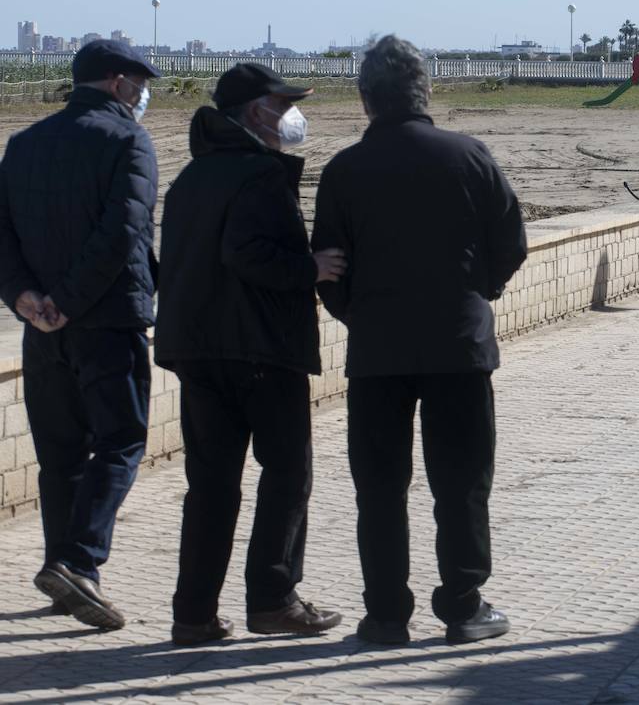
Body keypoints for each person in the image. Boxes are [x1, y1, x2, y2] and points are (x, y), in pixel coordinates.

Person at [312, 35, 527, 646]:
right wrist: (478, 291)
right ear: (425, 92)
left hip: (377, 351)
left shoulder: (344, 170)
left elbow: (328, 265)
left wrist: (357, 314)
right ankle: (463, 606)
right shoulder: (469, 155)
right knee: (461, 484)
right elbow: (511, 243)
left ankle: (385, 614)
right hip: (459, 346)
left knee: (380, 488)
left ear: (366, 99)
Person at [154, 64, 345, 645]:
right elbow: (247, 254)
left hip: (198, 351)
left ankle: (193, 614)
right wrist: (309, 269)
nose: (291, 116)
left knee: (211, 486)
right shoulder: (260, 174)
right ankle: (273, 599)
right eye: (282, 105)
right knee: (287, 473)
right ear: (256, 112)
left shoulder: (192, 176)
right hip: (259, 348)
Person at [0, 40, 159, 630]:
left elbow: (2, 232)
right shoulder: (128, 141)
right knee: (120, 441)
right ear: (118, 83)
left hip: (42, 328)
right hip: (106, 321)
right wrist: (65, 301)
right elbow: (122, 231)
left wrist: (24, 296)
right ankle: (77, 561)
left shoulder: (25, 144)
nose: (142, 96)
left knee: (60, 455)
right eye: (140, 85)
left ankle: (62, 577)